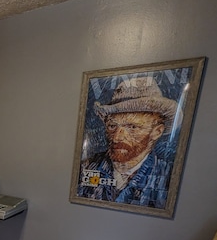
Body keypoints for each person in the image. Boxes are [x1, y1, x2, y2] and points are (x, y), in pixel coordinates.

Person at [76, 76, 179, 209]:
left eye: (132, 127)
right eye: (112, 126)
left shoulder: (166, 178)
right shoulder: (86, 168)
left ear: (157, 132)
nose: (117, 138)